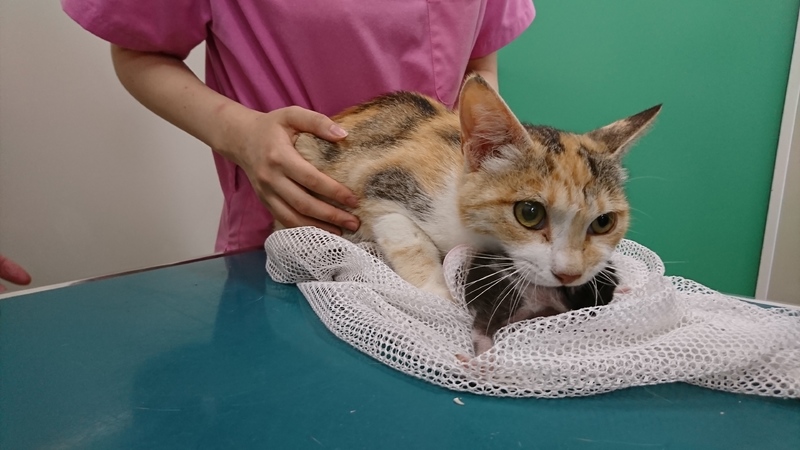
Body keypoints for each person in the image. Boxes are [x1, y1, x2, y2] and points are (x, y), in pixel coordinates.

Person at [62, 1, 535, 253]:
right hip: (296, 228)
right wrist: (241, 135)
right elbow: (138, 52)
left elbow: (478, 63)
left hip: (451, 237)